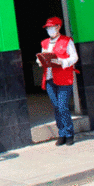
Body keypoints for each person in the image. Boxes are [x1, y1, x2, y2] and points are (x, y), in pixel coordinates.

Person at [38, 17, 79, 146]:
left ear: (58, 27)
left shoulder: (67, 41)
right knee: (56, 107)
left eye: (51, 27)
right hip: (50, 78)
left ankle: (69, 133)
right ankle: (61, 133)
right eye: (47, 28)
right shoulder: (45, 43)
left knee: (62, 107)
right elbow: (42, 56)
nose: (49, 30)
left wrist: (63, 62)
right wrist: (40, 61)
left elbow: (74, 57)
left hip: (63, 78)